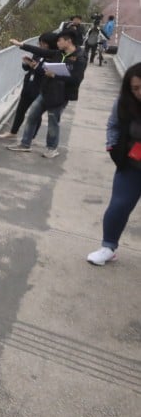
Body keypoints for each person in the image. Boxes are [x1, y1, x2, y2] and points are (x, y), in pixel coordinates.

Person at [86, 62, 141, 266]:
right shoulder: (124, 103)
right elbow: (113, 125)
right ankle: (108, 247)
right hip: (132, 166)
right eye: (135, 88)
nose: (139, 92)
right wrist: (113, 149)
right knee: (118, 206)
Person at [6, 29, 86, 158]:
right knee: (32, 115)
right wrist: (21, 45)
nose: (57, 43)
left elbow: (76, 79)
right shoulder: (59, 53)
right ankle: (25, 144)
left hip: (61, 95)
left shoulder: (80, 58)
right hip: (47, 90)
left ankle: (52, 148)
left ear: (68, 41)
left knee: (53, 121)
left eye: (59, 40)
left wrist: (55, 75)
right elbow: (41, 51)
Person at [0, 33, 55, 139]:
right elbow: (28, 68)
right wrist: (26, 63)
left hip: (40, 87)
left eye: (42, 43)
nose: (40, 45)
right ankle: (13, 132)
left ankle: (30, 137)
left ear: (48, 44)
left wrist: (36, 66)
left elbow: (48, 72)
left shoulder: (53, 56)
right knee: (20, 110)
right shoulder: (37, 54)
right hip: (29, 84)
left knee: (36, 113)